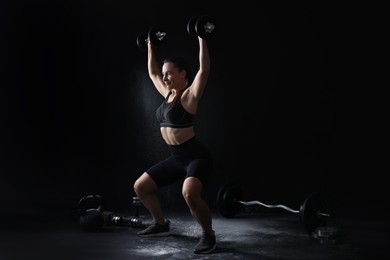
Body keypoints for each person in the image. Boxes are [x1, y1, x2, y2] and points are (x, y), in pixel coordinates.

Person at [133, 34, 216, 254]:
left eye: (170, 73)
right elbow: (152, 73)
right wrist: (150, 45)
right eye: (165, 74)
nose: (166, 77)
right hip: (176, 158)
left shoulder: (189, 97)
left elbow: (204, 70)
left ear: (183, 74)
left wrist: (202, 37)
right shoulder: (166, 93)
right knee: (141, 187)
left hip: (196, 157)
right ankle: (160, 225)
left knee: (189, 194)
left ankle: (209, 236)